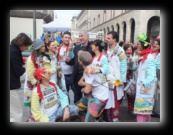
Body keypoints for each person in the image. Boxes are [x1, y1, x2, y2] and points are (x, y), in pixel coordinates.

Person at [77, 51, 109, 122]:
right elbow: (80, 82)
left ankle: (92, 119)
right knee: (79, 107)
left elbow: (87, 90)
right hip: (100, 94)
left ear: (80, 61)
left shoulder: (88, 72)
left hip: (99, 98)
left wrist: (82, 90)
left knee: (88, 121)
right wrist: (88, 85)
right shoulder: (93, 66)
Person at [103, 31, 127, 122]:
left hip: (117, 79)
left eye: (109, 38)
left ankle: (115, 117)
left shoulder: (120, 50)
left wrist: (122, 80)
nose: (107, 40)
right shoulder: (107, 50)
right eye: (107, 38)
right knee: (109, 97)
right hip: (108, 79)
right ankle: (108, 116)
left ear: (115, 39)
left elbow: (124, 65)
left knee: (116, 98)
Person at [66, 30, 95, 104]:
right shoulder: (76, 48)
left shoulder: (92, 48)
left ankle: (86, 113)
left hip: (89, 76)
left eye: (82, 36)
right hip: (77, 76)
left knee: (88, 97)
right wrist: (68, 60)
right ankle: (77, 113)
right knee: (77, 98)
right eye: (79, 36)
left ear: (87, 37)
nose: (80, 38)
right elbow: (72, 62)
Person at [134, 33, 156, 122]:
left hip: (145, 90)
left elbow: (152, 75)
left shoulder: (149, 58)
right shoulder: (144, 56)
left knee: (141, 113)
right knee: (145, 112)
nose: (137, 46)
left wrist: (143, 83)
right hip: (142, 89)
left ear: (144, 44)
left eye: (139, 44)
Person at [10, 33, 32, 122]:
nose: (27, 48)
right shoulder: (14, 52)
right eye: (27, 46)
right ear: (22, 44)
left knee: (12, 111)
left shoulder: (11, 48)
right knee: (17, 112)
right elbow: (19, 71)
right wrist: (25, 68)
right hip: (10, 86)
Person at [23, 39, 46, 122]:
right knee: (31, 102)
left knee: (37, 102)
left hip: (38, 83)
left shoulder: (40, 57)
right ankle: (31, 118)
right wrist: (35, 83)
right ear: (38, 48)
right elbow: (30, 73)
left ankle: (37, 117)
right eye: (42, 46)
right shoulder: (31, 59)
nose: (44, 47)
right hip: (32, 84)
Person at [56, 31, 74, 102]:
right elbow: (57, 61)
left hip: (72, 74)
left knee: (75, 92)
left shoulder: (72, 48)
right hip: (63, 75)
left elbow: (71, 58)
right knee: (65, 93)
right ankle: (67, 109)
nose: (67, 39)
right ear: (62, 38)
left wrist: (71, 47)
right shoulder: (58, 49)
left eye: (69, 38)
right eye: (65, 37)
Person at [123, 43, 138, 115]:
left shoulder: (133, 58)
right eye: (127, 50)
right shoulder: (122, 58)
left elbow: (135, 68)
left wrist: (132, 64)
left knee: (130, 94)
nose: (129, 51)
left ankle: (130, 108)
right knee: (121, 94)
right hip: (122, 77)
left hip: (130, 78)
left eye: (130, 50)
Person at [151, 35, 160, 118]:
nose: (154, 45)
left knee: (159, 95)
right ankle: (156, 110)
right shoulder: (155, 54)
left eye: (156, 44)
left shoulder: (160, 55)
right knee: (156, 95)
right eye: (154, 44)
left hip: (159, 77)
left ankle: (159, 111)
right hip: (156, 78)